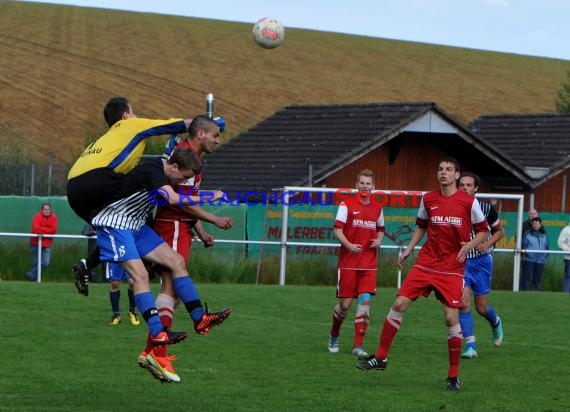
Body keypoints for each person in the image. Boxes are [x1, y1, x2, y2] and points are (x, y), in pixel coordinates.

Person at [91, 146, 231, 383]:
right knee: (141, 278)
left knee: (176, 262)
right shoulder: (155, 170)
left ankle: (199, 317)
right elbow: (175, 199)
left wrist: (200, 227)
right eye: (183, 176)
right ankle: (158, 336)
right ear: (174, 167)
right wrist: (212, 196)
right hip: (116, 224)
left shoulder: (166, 170)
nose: (184, 181)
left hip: (136, 226)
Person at [356, 156, 489, 392]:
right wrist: (408, 249)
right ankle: (381, 357)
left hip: (451, 268)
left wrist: (468, 246)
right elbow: (421, 226)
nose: (443, 173)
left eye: (448, 169)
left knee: (450, 318)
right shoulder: (428, 199)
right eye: (440, 169)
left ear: (457, 175)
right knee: (398, 304)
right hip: (426, 263)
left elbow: (483, 231)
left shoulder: (469, 202)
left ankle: (453, 376)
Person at [68, 96, 194, 296]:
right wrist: (203, 125)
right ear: (126, 116)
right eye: (133, 112)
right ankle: (147, 262)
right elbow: (172, 124)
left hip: (74, 191)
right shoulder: (130, 126)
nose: (135, 115)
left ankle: (86, 264)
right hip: (96, 181)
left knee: (116, 225)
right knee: (139, 208)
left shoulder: (108, 140)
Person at [138, 115, 234, 370]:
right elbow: (180, 202)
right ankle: (156, 353)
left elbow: (186, 199)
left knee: (174, 293)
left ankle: (152, 350)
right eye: (215, 134)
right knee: (170, 288)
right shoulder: (185, 155)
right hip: (173, 226)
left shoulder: (191, 156)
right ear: (200, 133)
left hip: (180, 225)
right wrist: (212, 218)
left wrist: (200, 231)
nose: (217, 140)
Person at [327, 169, 385, 358]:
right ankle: (334, 334)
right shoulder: (346, 205)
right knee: (344, 305)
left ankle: (358, 345)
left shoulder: (378, 208)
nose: (365, 187)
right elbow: (337, 230)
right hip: (348, 263)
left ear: (373, 187)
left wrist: (379, 239)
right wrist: (349, 245)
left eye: (368, 184)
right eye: (362, 183)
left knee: (365, 302)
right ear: (356, 185)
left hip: (369, 263)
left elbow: (381, 229)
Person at [458, 172, 505, 359]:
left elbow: (499, 232)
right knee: (463, 304)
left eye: (469, 185)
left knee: (482, 307)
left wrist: (486, 244)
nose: (465, 188)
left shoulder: (485, 207)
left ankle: (495, 322)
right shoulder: (453, 207)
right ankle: (470, 346)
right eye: (462, 185)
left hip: (482, 262)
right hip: (462, 261)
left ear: (475, 188)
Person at [26, 203, 58, 282]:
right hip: (35, 243)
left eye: (48, 209)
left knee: (46, 262)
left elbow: (53, 230)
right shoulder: (37, 217)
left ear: (51, 210)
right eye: (45, 209)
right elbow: (35, 229)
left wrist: (42, 230)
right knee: (35, 263)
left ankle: (31, 275)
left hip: (47, 244)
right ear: (41, 210)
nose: (47, 211)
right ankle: (35, 281)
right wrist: (47, 231)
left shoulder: (54, 217)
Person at [521, 217, 549, 291]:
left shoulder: (544, 234)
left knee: (537, 279)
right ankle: (525, 293)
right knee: (526, 278)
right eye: (534, 224)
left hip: (541, 260)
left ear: (540, 225)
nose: (535, 225)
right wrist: (526, 255)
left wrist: (544, 256)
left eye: (537, 224)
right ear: (532, 225)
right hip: (529, 260)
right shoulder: (527, 233)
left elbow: (547, 246)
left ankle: (536, 293)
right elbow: (523, 245)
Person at [557, 219, 570, 293]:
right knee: (568, 276)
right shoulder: (566, 230)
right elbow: (560, 243)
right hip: (568, 258)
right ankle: (565, 293)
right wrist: (568, 250)